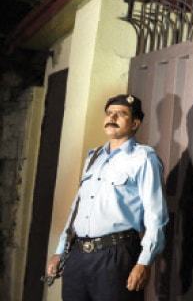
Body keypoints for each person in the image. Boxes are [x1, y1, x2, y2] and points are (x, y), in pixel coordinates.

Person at [46, 94, 169, 300]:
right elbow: (77, 207)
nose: (112, 117)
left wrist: (144, 262)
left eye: (121, 114)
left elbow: (155, 215)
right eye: (110, 113)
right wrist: (60, 250)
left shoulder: (143, 158)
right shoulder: (94, 156)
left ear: (135, 124)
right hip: (77, 254)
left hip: (115, 255)